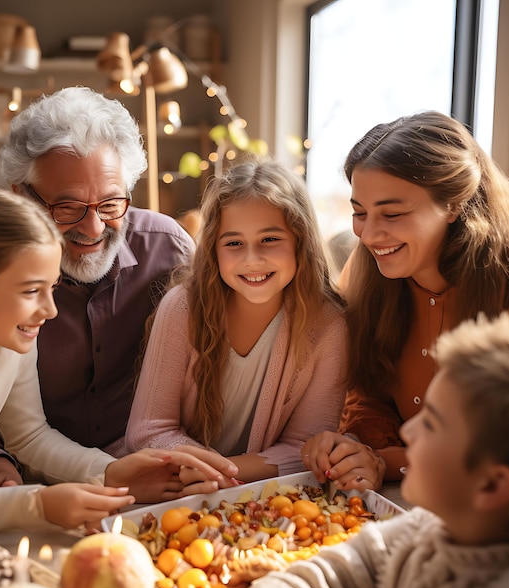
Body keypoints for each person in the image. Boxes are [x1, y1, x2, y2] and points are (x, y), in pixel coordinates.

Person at [0, 186, 236, 539]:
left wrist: (111, 472)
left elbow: (29, 437)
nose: (50, 311)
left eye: (52, 288)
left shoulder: (9, 340)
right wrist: (37, 505)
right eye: (30, 291)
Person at [0, 86, 239, 491]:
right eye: (67, 207)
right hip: (24, 479)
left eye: (110, 204)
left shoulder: (169, 251)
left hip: (147, 476)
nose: (92, 229)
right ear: (21, 195)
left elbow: (206, 376)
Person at [223, 311, 509, 588]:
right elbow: (338, 567)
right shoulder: (423, 530)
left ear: (491, 486)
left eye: (431, 424)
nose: (407, 432)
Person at [302, 110, 509, 491]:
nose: (369, 235)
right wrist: (355, 449)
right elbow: (367, 391)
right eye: (359, 213)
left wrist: (386, 462)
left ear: (453, 204)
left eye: (393, 213)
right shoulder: (370, 271)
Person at [125, 157, 348, 483]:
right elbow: (148, 431)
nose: (252, 259)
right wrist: (213, 476)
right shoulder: (183, 308)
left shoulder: (328, 327)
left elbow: (306, 448)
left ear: (301, 242)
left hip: (267, 496)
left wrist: (222, 476)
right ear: (214, 248)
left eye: (270, 239)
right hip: (178, 489)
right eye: (234, 243)